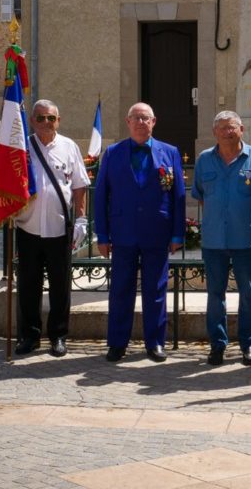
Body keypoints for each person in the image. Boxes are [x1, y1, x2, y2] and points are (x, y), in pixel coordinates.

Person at [95, 102, 186, 363]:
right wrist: (102, 236)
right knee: (120, 290)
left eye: (145, 118)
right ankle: (117, 343)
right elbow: (101, 197)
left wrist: (178, 234)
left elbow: (178, 195)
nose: (140, 122)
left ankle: (155, 343)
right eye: (136, 118)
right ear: (127, 121)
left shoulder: (169, 152)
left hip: (157, 232)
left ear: (154, 122)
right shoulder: (113, 153)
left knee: (156, 291)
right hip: (122, 234)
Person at [14, 100, 89, 358]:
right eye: (41, 118)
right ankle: (29, 336)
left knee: (60, 286)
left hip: (59, 227)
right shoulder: (21, 147)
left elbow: (79, 185)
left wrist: (81, 219)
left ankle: (58, 336)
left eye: (51, 118)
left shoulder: (69, 147)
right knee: (28, 285)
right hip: (28, 226)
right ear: (32, 120)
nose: (47, 122)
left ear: (59, 120)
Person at [192, 111, 251, 367]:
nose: (227, 132)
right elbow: (200, 195)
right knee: (215, 295)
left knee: (249, 294)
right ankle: (217, 345)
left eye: (232, 127)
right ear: (214, 132)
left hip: (246, 238)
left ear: (241, 129)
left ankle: (249, 344)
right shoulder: (204, 160)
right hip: (214, 241)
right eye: (221, 128)